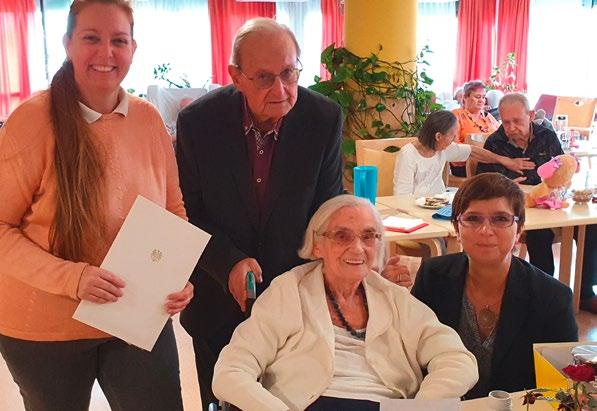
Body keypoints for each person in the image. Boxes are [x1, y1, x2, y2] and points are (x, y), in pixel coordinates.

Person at [0, 1, 192, 409]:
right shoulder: (31, 121)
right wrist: (73, 278)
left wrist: (176, 273)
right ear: (68, 43)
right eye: (92, 38)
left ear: (133, 48)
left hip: (135, 317)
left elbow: (172, 210)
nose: (106, 53)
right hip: (45, 328)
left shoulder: (147, 119)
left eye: (119, 40)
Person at [175, 18, 345, 408]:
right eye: (264, 77)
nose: (281, 90)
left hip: (295, 298)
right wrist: (228, 262)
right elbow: (186, 210)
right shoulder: (199, 122)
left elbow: (328, 207)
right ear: (236, 76)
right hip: (218, 298)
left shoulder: (323, 118)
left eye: (289, 73)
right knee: (221, 399)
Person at [212, 195, 479, 410]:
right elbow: (230, 372)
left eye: (368, 236)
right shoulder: (289, 292)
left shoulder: (393, 298)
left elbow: (457, 359)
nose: (358, 248)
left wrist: (422, 406)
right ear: (317, 245)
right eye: (342, 236)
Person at [412, 173, 578, 399]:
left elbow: (561, 387)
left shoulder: (552, 297)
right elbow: (411, 358)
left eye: (500, 219)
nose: (485, 230)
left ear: (519, 231)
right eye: (473, 219)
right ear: (457, 229)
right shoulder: (433, 277)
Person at [477, 93, 597, 313]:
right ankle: (543, 295)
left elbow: (562, 168)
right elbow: (481, 184)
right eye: (506, 122)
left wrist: (560, 185)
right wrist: (505, 185)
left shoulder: (547, 136)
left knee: (590, 228)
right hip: (517, 208)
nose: (511, 128)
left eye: (517, 121)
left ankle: (586, 292)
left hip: (551, 203)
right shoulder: (494, 142)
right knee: (539, 234)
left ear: (531, 115)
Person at [393, 110, 534, 196]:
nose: (454, 139)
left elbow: (472, 152)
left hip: (439, 205)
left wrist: (505, 160)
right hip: (416, 213)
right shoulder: (408, 154)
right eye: (452, 136)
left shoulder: (443, 148)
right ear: (438, 136)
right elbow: (402, 196)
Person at [450, 80, 500, 177]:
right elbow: (453, 146)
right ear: (465, 97)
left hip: (492, 162)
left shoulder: (489, 117)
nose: (481, 100)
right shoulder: (456, 115)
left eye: (483, 97)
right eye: (477, 97)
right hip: (465, 165)